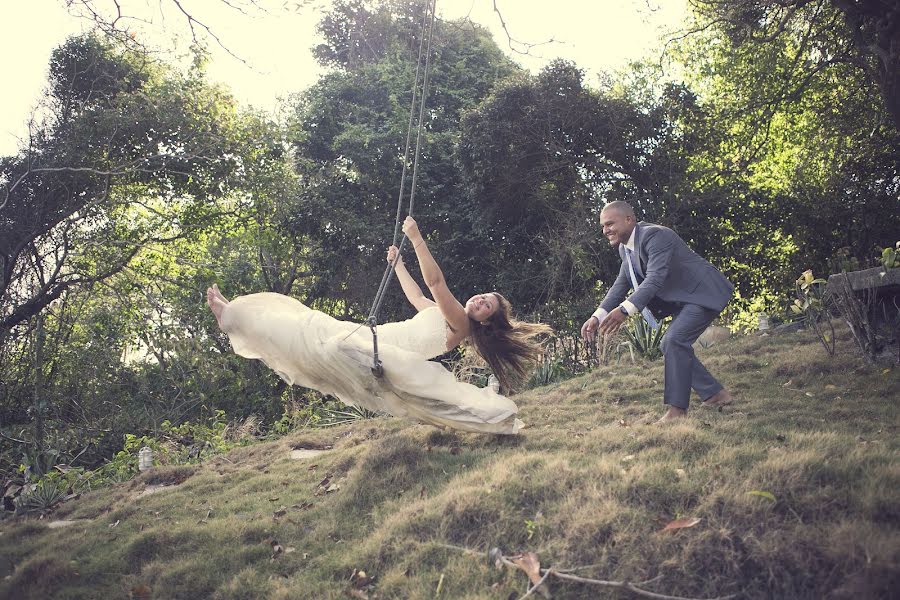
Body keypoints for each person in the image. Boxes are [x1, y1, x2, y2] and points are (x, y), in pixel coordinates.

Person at [206, 216, 549, 434]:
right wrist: (398, 264)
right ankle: (234, 316)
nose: (478, 300)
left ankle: (233, 317)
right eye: (482, 296)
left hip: (379, 352)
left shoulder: (460, 321)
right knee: (307, 331)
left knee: (313, 334)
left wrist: (416, 239)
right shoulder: (448, 316)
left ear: (487, 319)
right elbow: (418, 296)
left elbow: (436, 284)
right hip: (374, 340)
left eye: (486, 304)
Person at [580, 201, 734, 422]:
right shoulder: (626, 249)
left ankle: (677, 411)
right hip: (686, 300)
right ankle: (716, 395)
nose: (606, 231)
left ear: (629, 220)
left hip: (703, 294)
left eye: (610, 223)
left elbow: (654, 278)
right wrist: (598, 316)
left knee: (673, 340)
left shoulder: (656, 236)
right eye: (603, 226)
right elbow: (620, 285)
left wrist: (624, 311)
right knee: (670, 344)